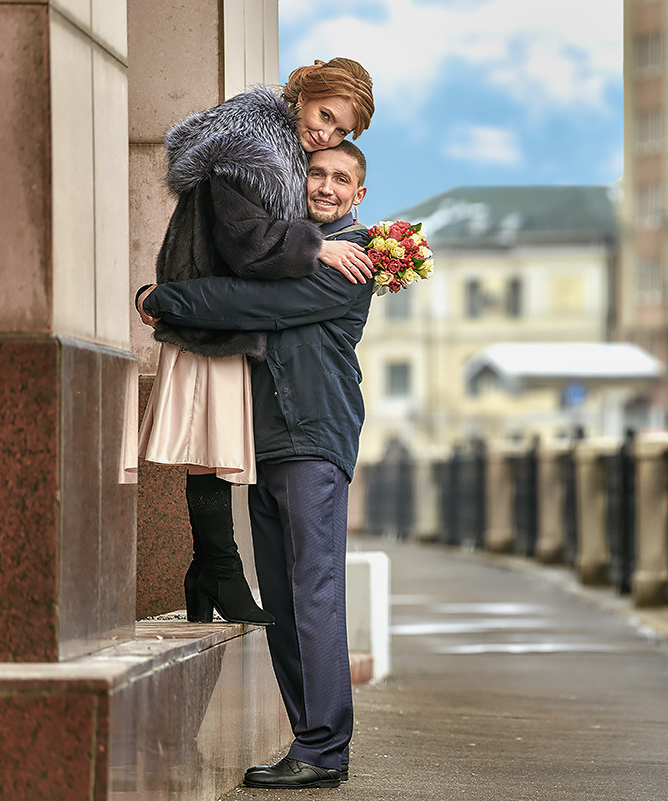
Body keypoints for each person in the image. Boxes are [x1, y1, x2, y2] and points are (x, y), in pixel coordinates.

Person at [136, 140, 378, 790]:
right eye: (317, 174)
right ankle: (310, 741)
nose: (326, 186)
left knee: (314, 590)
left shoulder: (351, 260)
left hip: (313, 437)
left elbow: (247, 303)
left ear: (360, 194)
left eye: (341, 179)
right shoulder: (295, 247)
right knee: (283, 594)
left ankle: (326, 745)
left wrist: (167, 297)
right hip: (271, 439)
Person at [138, 58, 377, 627]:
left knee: (214, 446)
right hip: (213, 315)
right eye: (324, 116)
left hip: (228, 317)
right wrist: (318, 248)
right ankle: (217, 569)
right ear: (305, 94)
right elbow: (246, 245)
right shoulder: (251, 146)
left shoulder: (290, 152)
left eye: (340, 130)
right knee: (210, 446)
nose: (326, 133)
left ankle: (209, 571)